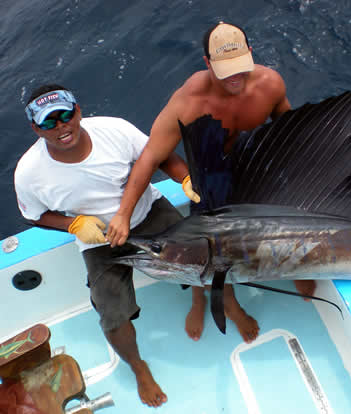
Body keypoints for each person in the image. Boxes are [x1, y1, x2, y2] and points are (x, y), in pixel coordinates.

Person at [106, 21, 316, 343]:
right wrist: (123, 213)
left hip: (256, 167)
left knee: (282, 228)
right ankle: (224, 303)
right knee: (208, 251)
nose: (236, 77)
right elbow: (149, 157)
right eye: (225, 70)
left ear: (250, 52)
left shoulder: (270, 83)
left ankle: (298, 269)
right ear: (207, 63)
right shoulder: (188, 101)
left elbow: (290, 130)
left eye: (241, 66)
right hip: (211, 178)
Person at [14, 85, 186, 408]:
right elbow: (33, 215)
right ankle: (139, 368)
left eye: (66, 115)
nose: (61, 127)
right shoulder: (27, 173)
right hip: (98, 242)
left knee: (204, 258)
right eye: (49, 123)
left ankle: (203, 301)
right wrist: (73, 225)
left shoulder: (114, 130)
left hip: (149, 214)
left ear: (78, 110)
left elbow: (159, 157)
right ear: (36, 129)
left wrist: (187, 180)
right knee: (113, 317)